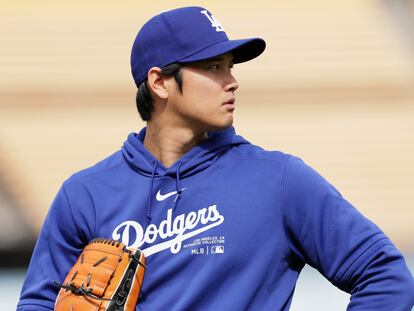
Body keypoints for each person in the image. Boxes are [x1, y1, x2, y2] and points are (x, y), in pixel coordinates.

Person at [17, 6, 414, 311]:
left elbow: (385, 275)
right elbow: (36, 304)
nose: (232, 81)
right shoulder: (85, 194)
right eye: (213, 67)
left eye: (230, 67)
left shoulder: (279, 181)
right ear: (159, 83)